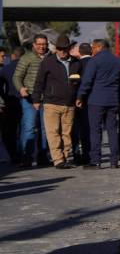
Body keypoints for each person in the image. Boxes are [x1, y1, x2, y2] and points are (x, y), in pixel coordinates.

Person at [33, 34, 82, 169]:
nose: (62, 51)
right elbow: (39, 82)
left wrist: (79, 97)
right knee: (53, 132)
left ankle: (65, 157)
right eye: (60, 48)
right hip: (51, 103)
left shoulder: (76, 63)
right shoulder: (47, 62)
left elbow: (81, 83)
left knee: (67, 134)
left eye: (65, 48)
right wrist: (36, 99)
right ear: (56, 48)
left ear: (69, 48)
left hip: (70, 104)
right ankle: (58, 160)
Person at [77, 39, 120, 170]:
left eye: (93, 48)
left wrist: (80, 95)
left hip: (96, 101)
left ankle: (96, 161)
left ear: (99, 47)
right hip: (113, 100)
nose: (92, 50)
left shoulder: (94, 61)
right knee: (112, 130)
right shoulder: (119, 61)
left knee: (95, 131)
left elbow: (87, 81)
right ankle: (114, 161)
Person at [13, 34, 51, 167]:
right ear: (34, 45)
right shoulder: (26, 58)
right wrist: (21, 88)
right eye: (39, 44)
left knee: (45, 130)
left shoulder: (51, 57)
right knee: (29, 128)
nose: (42, 47)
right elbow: (17, 77)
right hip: (29, 99)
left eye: (44, 44)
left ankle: (43, 157)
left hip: (46, 99)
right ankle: (26, 157)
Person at [0, 47, 24, 162]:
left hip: (10, 102)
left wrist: (4, 98)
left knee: (10, 131)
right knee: (24, 129)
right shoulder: (26, 67)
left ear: (13, 56)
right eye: (2, 56)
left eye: (5, 56)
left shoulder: (5, 69)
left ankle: (14, 154)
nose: (4, 58)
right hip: (24, 101)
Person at [72, 42, 93, 165]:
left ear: (80, 52)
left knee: (78, 129)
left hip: (79, 101)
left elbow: (74, 83)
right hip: (94, 101)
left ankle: (78, 155)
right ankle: (92, 153)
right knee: (93, 128)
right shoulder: (96, 63)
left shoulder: (76, 64)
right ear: (91, 51)